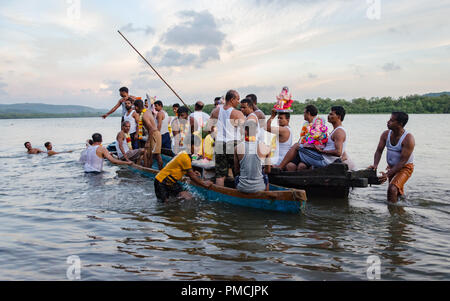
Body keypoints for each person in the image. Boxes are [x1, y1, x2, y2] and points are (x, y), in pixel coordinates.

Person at [277, 106, 347, 171]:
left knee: (296, 146)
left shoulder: (339, 132)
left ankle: (280, 167)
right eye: (329, 114)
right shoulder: (335, 130)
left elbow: (338, 152)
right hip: (323, 157)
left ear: (339, 117)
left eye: (331, 114)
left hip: (324, 160)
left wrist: (321, 151)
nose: (328, 116)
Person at [369, 112, 415, 204]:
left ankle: (393, 215)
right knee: (396, 192)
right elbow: (379, 151)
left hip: (405, 168)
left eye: (391, 120)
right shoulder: (386, 134)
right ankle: (401, 208)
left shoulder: (408, 138)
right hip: (392, 167)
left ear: (400, 124)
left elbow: (402, 162)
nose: (388, 122)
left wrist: (387, 174)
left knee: (392, 189)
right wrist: (375, 165)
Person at [154, 134, 213, 202]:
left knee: (188, 196)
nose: (198, 148)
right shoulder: (185, 157)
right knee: (165, 204)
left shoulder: (186, 155)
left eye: (198, 146)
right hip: (161, 182)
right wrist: (204, 184)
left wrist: (193, 173)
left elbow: (186, 171)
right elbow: (192, 177)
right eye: (196, 146)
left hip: (172, 182)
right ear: (189, 145)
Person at [207, 90, 245, 187]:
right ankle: (239, 192)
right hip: (233, 144)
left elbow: (208, 129)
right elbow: (246, 131)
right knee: (237, 171)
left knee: (220, 174)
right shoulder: (237, 113)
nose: (239, 102)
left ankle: (221, 194)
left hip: (219, 143)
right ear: (232, 99)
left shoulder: (215, 111)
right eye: (238, 99)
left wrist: (215, 137)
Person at [234, 121, 272, 193]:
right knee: (265, 176)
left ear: (245, 131)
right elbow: (268, 171)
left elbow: (236, 171)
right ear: (257, 131)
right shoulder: (266, 147)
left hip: (242, 187)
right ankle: (265, 196)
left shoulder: (237, 148)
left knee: (236, 177)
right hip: (260, 187)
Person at [134, 99, 163, 169]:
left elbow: (151, 129)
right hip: (154, 134)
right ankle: (148, 169)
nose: (134, 109)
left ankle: (161, 171)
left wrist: (148, 142)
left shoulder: (144, 116)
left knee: (156, 155)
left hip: (154, 134)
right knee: (149, 155)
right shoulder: (147, 111)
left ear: (136, 107)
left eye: (134, 107)